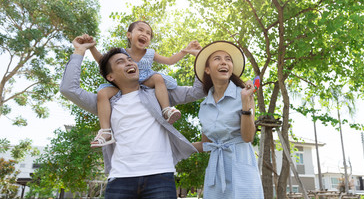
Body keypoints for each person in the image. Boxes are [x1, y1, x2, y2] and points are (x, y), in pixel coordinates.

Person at [60, 36, 205, 198]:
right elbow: (69, 89)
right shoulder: (106, 103)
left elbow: (197, 91)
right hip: (120, 180)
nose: (129, 62)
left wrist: (200, 58)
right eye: (120, 62)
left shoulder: (159, 94)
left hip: (160, 177)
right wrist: (79, 51)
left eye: (129, 59)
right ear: (110, 77)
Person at [84, 21, 200, 147]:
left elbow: (170, 61)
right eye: (140, 30)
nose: (144, 34)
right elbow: (103, 61)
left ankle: (166, 110)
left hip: (145, 81)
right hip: (124, 85)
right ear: (129, 35)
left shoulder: (150, 53)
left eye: (148, 33)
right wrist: (91, 47)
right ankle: (105, 132)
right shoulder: (121, 53)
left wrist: (186, 51)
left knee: (157, 77)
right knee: (102, 93)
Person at [192, 41, 264, 199]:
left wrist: (245, 102)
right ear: (207, 69)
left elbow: (248, 137)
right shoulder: (204, 106)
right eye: (217, 58)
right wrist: (176, 146)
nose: (224, 62)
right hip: (216, 169)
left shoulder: (244, 94)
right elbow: (206, 144)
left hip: (241, 164)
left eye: (228, 59)